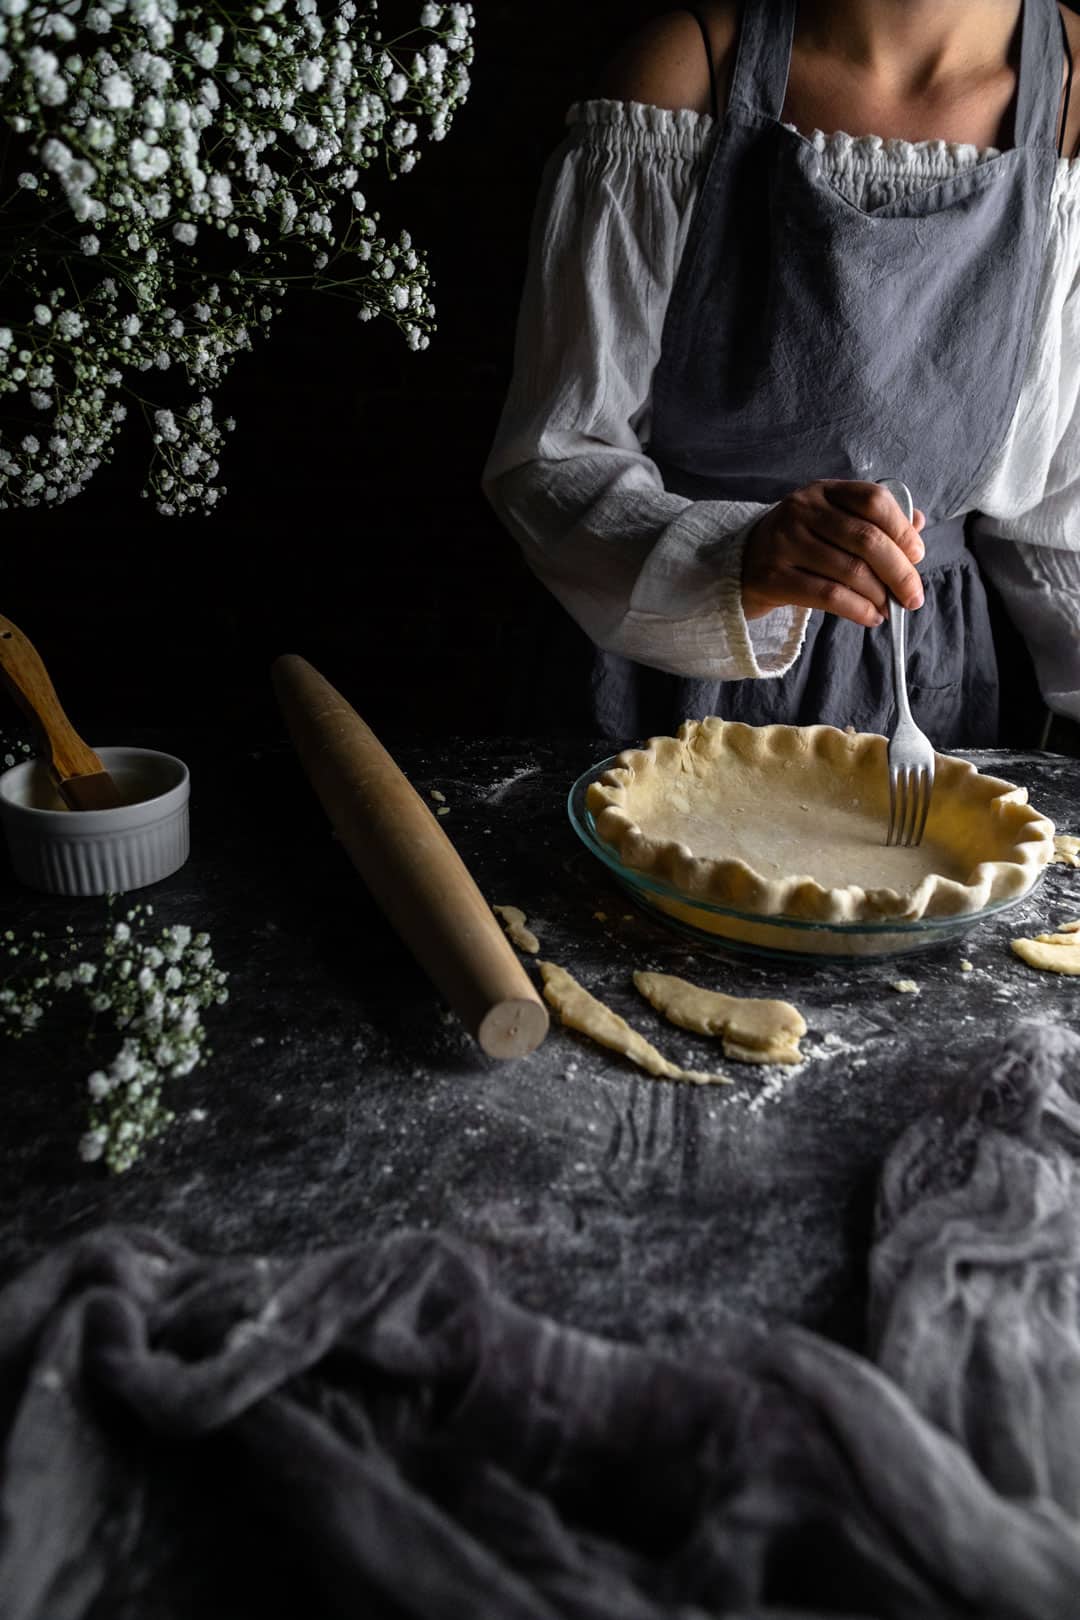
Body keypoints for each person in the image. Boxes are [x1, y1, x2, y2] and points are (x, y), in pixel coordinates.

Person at [482, 0, 1080, 746]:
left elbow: (1059, 528)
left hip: (922, 710)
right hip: (654, 696)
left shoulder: (1072, 103)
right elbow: (554, 459)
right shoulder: (687, 75)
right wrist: (732, 560)